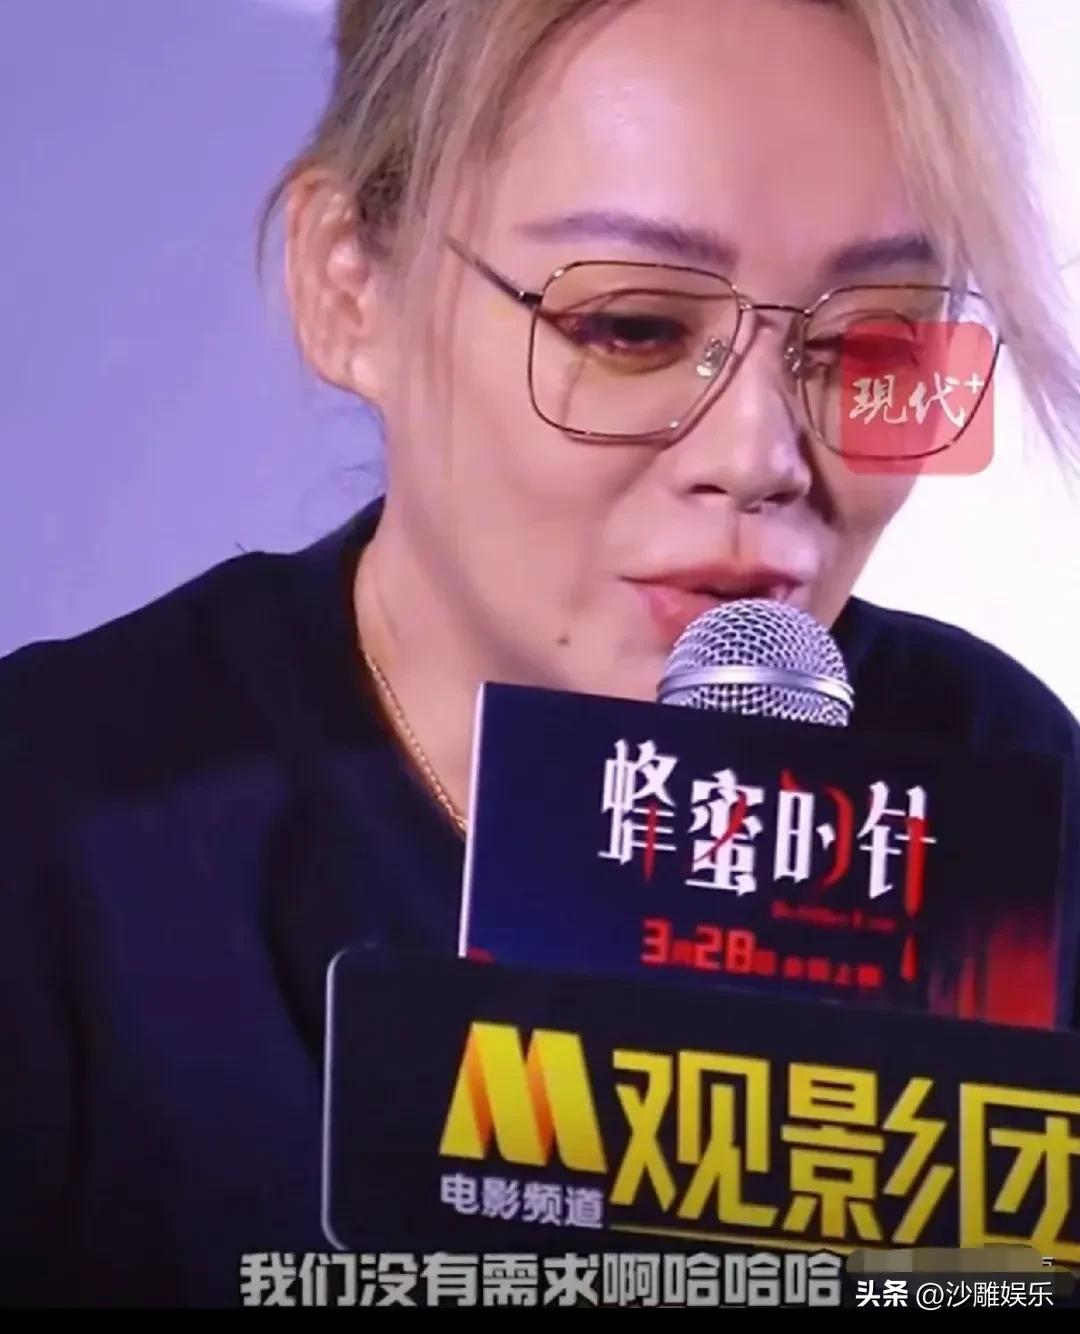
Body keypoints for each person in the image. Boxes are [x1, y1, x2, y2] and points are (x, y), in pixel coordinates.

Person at [2, 0, 1079, 1309]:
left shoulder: (1011, 789)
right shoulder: (56, 828)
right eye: (630, 328)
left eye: (871, 341)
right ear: (351, 286)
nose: (760, 456)